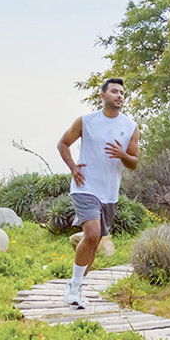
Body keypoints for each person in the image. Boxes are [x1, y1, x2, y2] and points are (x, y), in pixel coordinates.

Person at [57, 78, 139, 309]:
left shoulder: (130, 127)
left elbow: (134, 162)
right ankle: (73, 286)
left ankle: (77, 287)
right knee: (92, 235)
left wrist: (123, 155)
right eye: (114, 91)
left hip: (109, 194)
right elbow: (63, 143)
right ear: (103, 96)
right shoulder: (86, 121)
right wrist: (73, 167)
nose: (120, 96)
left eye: (122, 92)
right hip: (85, 187)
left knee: (93, 243)